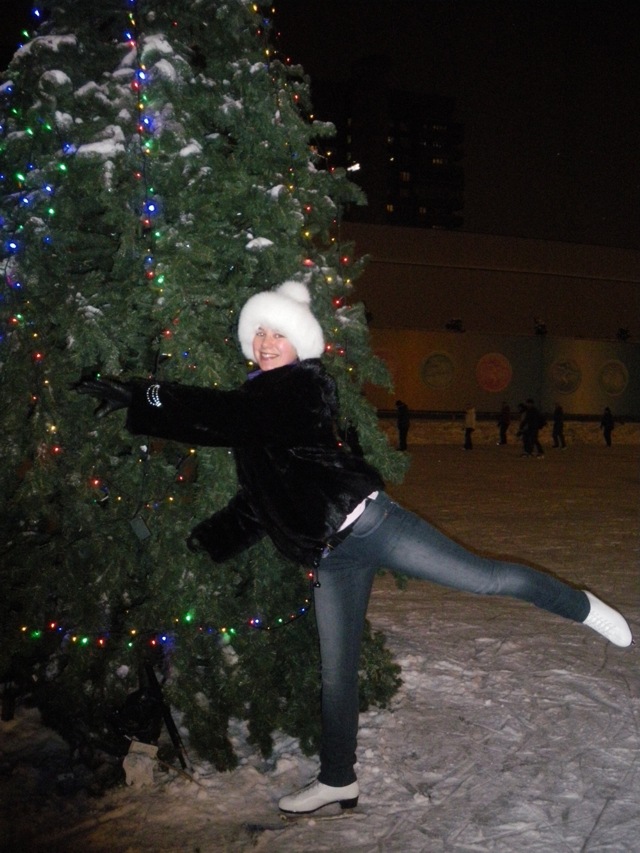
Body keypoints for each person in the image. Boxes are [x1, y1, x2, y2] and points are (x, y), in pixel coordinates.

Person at [76, 281, 633, 816]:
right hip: (331, 556)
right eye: (259, 332)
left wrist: (145, 396)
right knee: (336, 674)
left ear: (301, 343)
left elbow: (224, 418)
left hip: (372, 526)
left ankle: (581, 605)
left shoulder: (303, 388)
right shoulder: (258, 404)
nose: (267, 342)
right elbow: (260, 501)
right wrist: (207, 542)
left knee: (486, 579)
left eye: (279, 333)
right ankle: (337, 781)